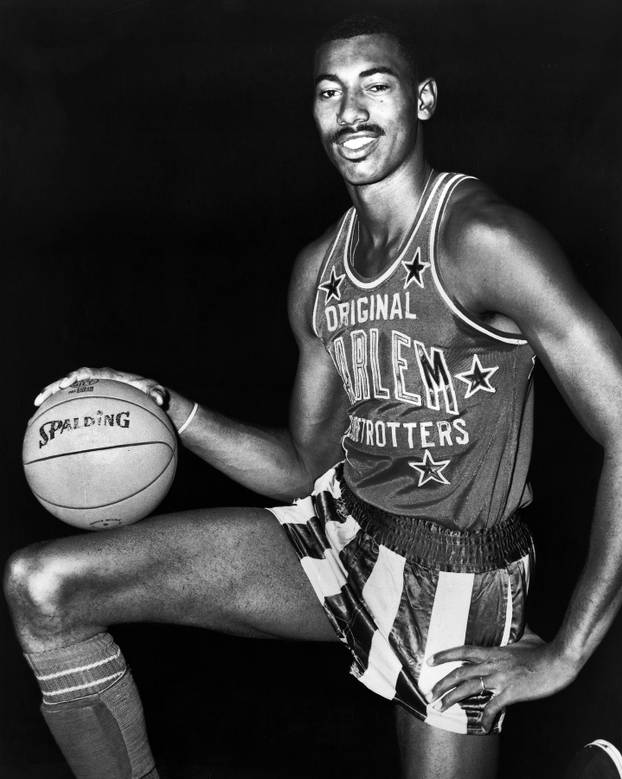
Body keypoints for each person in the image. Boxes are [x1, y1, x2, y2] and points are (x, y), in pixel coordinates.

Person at [5, 14, 622, 779]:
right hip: (342, 529)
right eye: (330, 92)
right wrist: (168, 407)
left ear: (423, 100)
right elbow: (303, 465)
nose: (351, 111)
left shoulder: (483, 241)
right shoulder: (318, 271)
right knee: (44, 587)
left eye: (377, 85)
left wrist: (567, 651)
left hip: (456, 577)